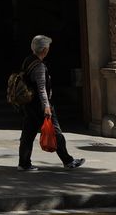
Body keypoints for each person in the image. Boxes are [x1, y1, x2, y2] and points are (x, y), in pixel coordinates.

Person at [18, 35, 85, 171]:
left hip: (30, 105)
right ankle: (68, 161)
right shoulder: (39, 66)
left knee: (27, 134)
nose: (49, 49)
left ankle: (23, 163)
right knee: (56, 132)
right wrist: (47, 106)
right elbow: (42, 88)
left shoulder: (28, 60)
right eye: (48, 47)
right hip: (41, 106)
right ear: (44, 50)